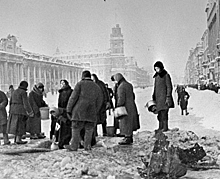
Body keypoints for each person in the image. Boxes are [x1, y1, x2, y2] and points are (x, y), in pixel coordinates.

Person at [65, 70, 102, 151]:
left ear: (83, 76)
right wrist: (95, 110)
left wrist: (69, 109)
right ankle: (87, 146)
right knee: (89, 130)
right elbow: (100, 100)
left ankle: (74, 146)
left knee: (76, 129)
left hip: (78, 112)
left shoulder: (80, 84)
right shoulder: (96, 86)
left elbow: (73, 98)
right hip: (91, 112)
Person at [114, 73, 140, 145]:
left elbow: (121, 98)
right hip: (131, 105)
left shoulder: (121, 87)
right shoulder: (129, 85)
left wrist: (118, 106)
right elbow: (133, 95)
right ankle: (129, 136)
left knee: (125, 122)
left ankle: (127, 137)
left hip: (125, 107)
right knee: (129, 122)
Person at [152, 61, 174, 132]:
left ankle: (165, 127)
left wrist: (168, 96)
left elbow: (169, 87)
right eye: (155, 69)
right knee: (159, 114)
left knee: (164, 113)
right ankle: (160, 127)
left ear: (161, 68)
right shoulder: (156, 76)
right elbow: (155, 87)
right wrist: (153, 95)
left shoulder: (166, 75)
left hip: (164, 99)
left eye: (157, 68)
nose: (156, 70)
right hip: (158, 99)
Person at [57, 79, 73, 149]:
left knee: (67, 127)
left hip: (68, 111)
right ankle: (62, 142)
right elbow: (59, 103)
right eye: (61, 83)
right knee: (63, 127)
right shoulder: (61, 92)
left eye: (64, 83)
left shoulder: (70, 91)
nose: (62, 84)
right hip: (63, 111)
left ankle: (66, 142)